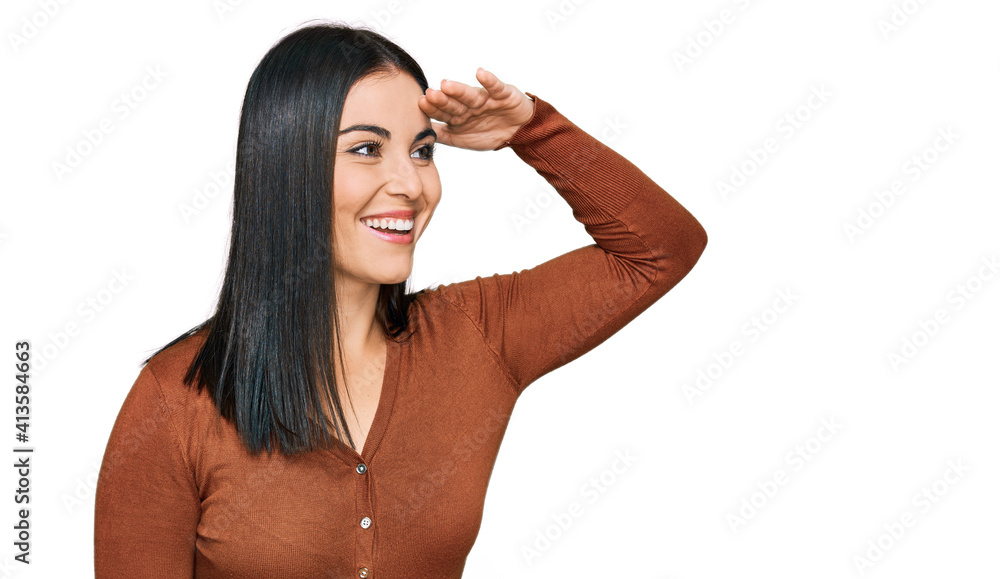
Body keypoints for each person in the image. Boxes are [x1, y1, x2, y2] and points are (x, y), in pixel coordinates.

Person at [93, 21, 708, 578]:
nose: (411, 184)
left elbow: (661, 249)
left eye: (422, 151)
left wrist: (532, 130)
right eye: (366, 149)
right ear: (286, 167)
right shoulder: (176, 399)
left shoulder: (476, 336)